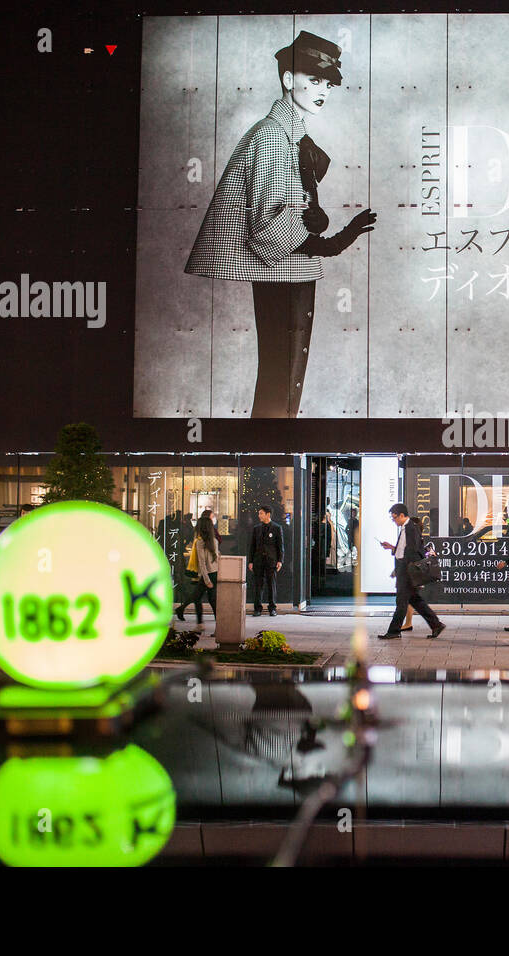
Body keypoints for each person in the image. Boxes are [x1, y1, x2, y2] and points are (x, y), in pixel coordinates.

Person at [185, 30, 376, 418]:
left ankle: (270, 453)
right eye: (314, 80)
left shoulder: (290, 134)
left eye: (328, 83)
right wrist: (337, 241)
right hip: (282, 270)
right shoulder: (273, 136)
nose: (323, 90)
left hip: (291, 270)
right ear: (289, 80)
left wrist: (325, 228)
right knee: (282, 378)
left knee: (285, 377)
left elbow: (289, 209)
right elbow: (269, 228)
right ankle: (268, 457)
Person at [377, 503, 444, 640]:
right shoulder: (405, 528)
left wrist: (407, 570)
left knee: (401, 602)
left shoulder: (410, 528)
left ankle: (394, 631)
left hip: (407, 571)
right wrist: (392, 548)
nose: (394, 520)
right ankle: (436, 624)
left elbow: (413, 551)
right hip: (404, 570)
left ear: (402, 515)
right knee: (415, 600)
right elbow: (404, 550)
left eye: (394, 517)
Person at [176, 514, 220, 627]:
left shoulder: (200, 542)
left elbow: (202, 563)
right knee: (208, 598)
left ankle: (201, 623)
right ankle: (216, 622)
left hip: (207, 575)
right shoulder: (213, 540)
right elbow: (216, 559)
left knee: (199, 597)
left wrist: (206, 579)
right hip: (214, 574)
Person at [249, 505, 284, 615]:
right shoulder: (256, 528)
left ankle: (272, 608)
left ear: (268, 514)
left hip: (271, 560)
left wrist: (280, 560)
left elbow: (280, 546)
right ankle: (257, 609)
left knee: (271, 584)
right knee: (258, 585)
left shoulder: (277, 528)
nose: (259, 515)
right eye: (259, 513)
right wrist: (251, 561)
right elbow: (252, 546)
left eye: (261, 513)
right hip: (258, 560)